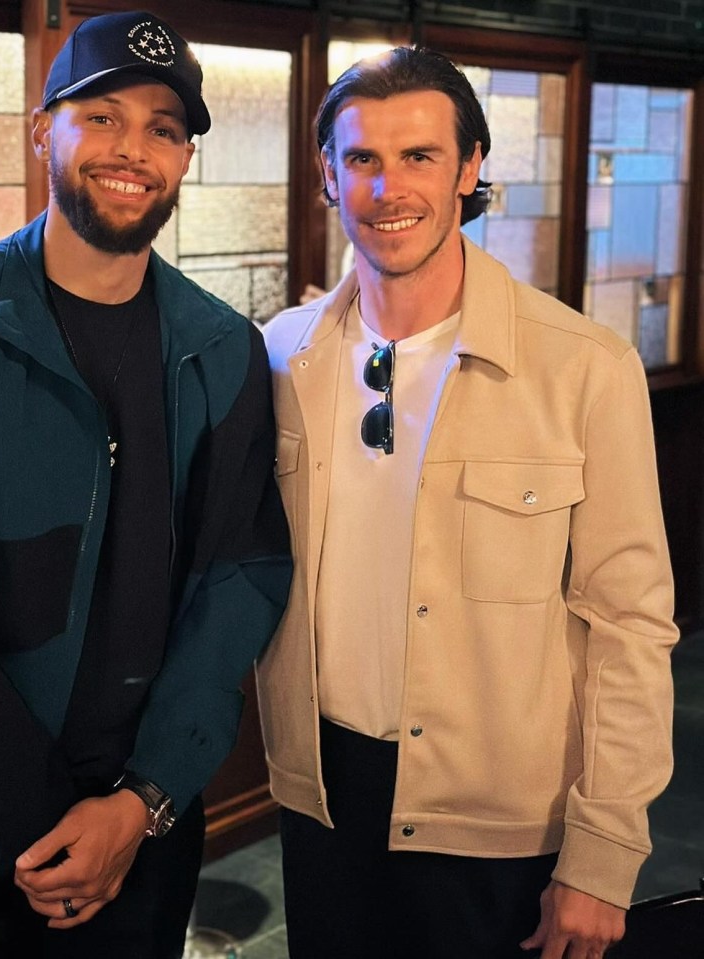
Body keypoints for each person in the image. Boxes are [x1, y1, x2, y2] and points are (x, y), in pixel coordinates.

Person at [0, 11, 291, 958]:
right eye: (104, 116)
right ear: (43, 130)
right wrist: (58, 832)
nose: (135, 150)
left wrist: (142, 802)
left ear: (186, 159)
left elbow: (239, 578)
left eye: (165, 128)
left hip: (140, 833)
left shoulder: (221, 350)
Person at [255, 46, 678, 959]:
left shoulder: (584, 367)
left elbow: (630, 624)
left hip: (499, 818)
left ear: (470, 167)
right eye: (362, 158)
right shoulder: (283, 355)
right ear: (328, 173)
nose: (388, 186)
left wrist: (604, 854)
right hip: (323, 795)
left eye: (420, 156)